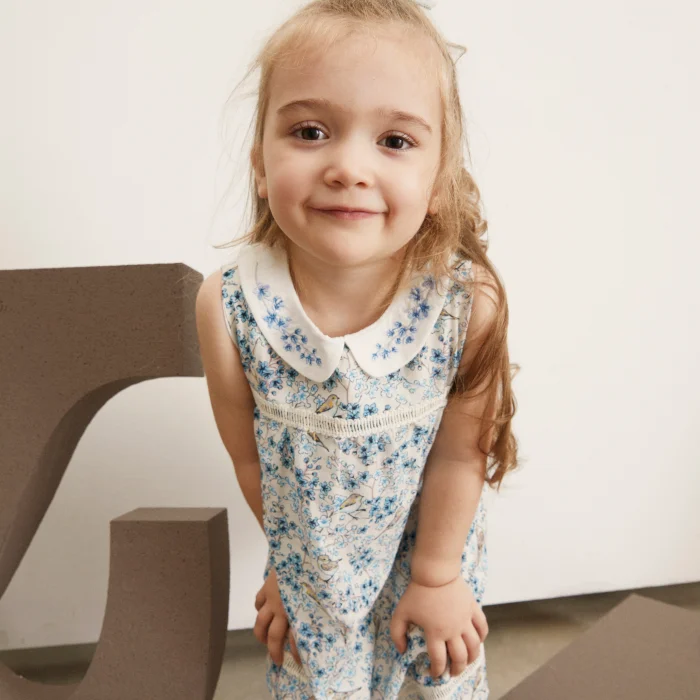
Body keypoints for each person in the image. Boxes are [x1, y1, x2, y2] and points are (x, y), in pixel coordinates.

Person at [196, 0, 518, 697]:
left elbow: (460, 454)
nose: (348, 167)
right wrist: (291, 569)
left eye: (395, 141)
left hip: (431, 548)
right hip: (313, 568)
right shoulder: (229, 306)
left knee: (439, 673)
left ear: (439, 180)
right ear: (260, 164)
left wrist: (438, 577)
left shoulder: (465, 303)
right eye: (310, 132)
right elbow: (251, 458)